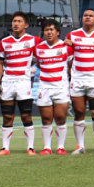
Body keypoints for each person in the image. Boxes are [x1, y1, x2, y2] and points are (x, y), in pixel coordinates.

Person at [0, 11, 39, 156]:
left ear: (25, 25)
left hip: (23, 82)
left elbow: (41, 55)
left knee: (26, 116)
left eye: (19, 21)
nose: (15, 24)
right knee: (7, 116)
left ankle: (30, 148)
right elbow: (0, 63)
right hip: (7, 82)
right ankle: (5, 148)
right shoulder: (4, 42)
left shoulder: (33, 40)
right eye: (14, 21)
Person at [66, 8, 94, 155]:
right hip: (77, 80)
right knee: (79, 112)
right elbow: (69, 58)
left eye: (91, 16)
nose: (87, 17)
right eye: (85, 15)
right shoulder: (72, 35)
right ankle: (80, 146)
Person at [34, 20, 73, 155]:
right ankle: (47, 148)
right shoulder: (38, 48)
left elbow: (72, 65)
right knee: (46, 119)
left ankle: (61, 147)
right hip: (44, 87)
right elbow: (37, 63)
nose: (49, 32)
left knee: (61, 117)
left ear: (57, 32)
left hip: (61, 87)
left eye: (51, 29)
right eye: (46, 30)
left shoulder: (66, 47)